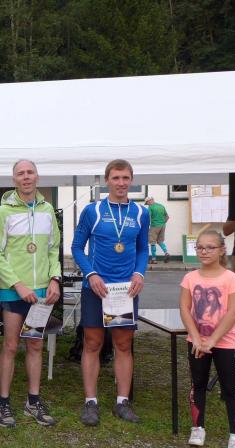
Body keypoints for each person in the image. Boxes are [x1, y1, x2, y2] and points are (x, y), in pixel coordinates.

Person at [72, 159, 149, 426]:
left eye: (125, 178)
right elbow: (77, 247)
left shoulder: (140, 213)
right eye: (116, 178)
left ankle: (122, 402)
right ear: (107, 180)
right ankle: (90, 402)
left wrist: (139, 273)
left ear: (131, 180)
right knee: (92, 343)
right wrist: (91, 274)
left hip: (125, 290)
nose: (121, 183)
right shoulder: (92, 211)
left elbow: (143, 249)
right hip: (97, 288)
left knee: (123, 345)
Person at [0, 160, 61, 427]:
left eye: (30, 172)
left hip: (41, 291)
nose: (26, 177)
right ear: (14, 180)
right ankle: (3, 403)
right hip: (13, 291)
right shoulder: (3, 212)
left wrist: (55, 279)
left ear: (37, 177)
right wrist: (17, 284)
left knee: (35, 344)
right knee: (10, 346)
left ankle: (33, 401)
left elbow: (53, 248)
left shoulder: (47, 210)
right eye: (21, 173)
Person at [178, 230, 235, 448]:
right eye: (200, 247)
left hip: (227, 343)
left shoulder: (232, 279)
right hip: (197, 342)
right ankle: (198, 427)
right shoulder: (190, 278)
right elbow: (184, 308)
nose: (204, 251)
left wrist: (213, 340)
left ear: (222, 250)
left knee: (231, 389)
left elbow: (233, 313)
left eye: (210, 247)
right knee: (198, 384)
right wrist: (195, 337)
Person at [144, 196, 170, 264]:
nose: (147, 204)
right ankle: (166, 253)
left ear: (150, 200)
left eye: (147, 202)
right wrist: (162, 223)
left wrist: (146, 226)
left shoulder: (150, 207)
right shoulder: (161, 206)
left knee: (152, 242)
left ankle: (154, 259)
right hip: (162, 226)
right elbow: (167, 217)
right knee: (160, 241)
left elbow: (148, 218)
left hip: (154, 226)